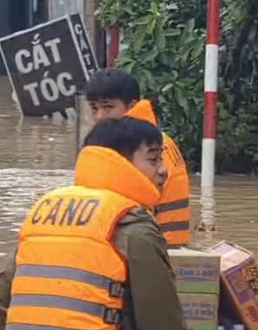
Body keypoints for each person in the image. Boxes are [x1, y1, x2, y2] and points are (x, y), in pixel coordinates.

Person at [0, 116, 200, 330]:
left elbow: (1, 302)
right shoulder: (134, 228)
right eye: (153, 158)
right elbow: (163, 323)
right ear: (119, 162)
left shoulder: (45, 212)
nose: (164, 170)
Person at [82, 68, 194, 247]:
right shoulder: (155, 141)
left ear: (132, 106)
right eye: (94, 108)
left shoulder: (137, 149)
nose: (99, 117)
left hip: (152, 248)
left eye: (108, 107)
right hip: (169, 247)